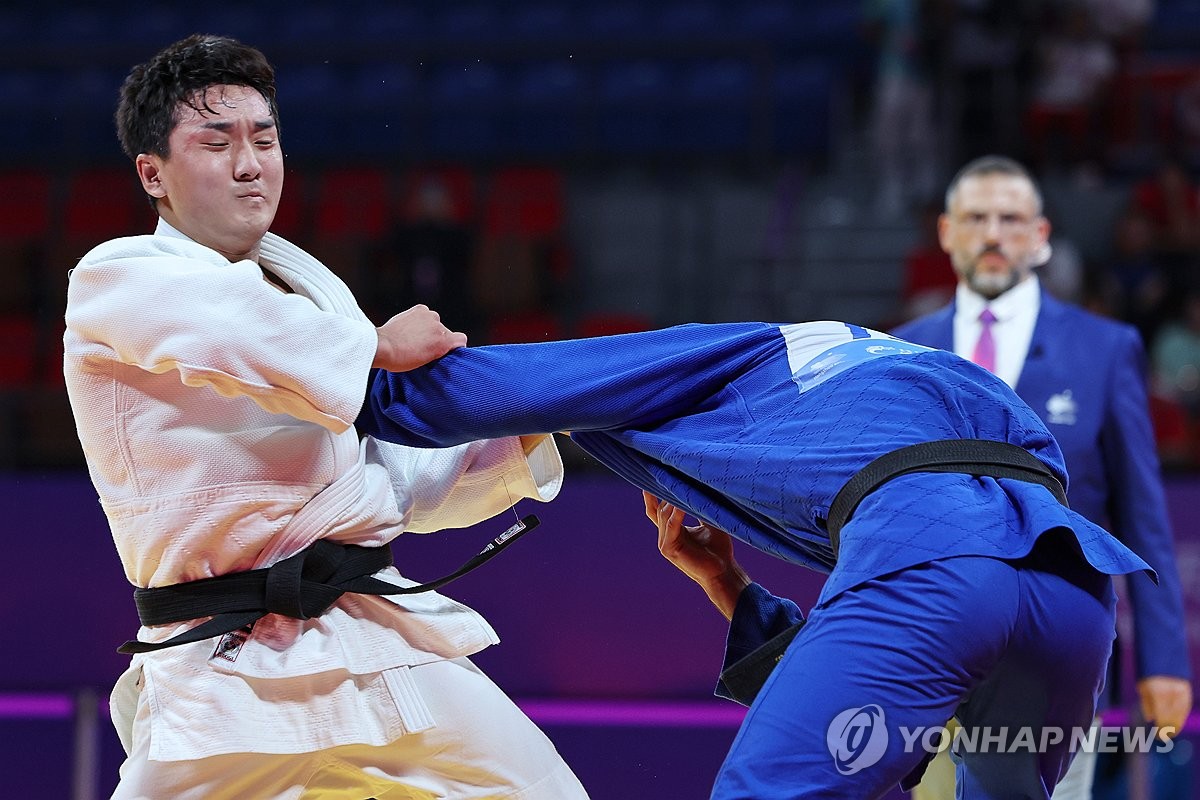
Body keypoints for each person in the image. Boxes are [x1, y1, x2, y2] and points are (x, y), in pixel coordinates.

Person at [62, 35, 588, 799]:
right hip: (225, 664)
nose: (251, 164)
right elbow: (234, 331)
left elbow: (378, 480)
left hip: (373, 637)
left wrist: (533, 417)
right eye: (218, 142)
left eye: (264, 139)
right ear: (153, 173)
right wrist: (376, 342)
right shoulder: (119, 278)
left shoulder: (311, 303)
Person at [355, 315, 1156, 798]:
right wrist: (731, 586)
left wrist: (349, 378)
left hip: (932, 551)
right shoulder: (935, 373)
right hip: (1076, 582)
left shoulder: (732, 353)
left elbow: (517, 383)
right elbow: (880, 706)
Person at [891, 154, 1192, 799]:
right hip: (937, 648)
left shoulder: (1105, 350)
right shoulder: (904, 353)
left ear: (1041, 235)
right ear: (946, 232)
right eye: (976, 218)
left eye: (1010, 218)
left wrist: (1164, 661)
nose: (993, 235)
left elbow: (1142, 517)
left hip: (1060, 649)